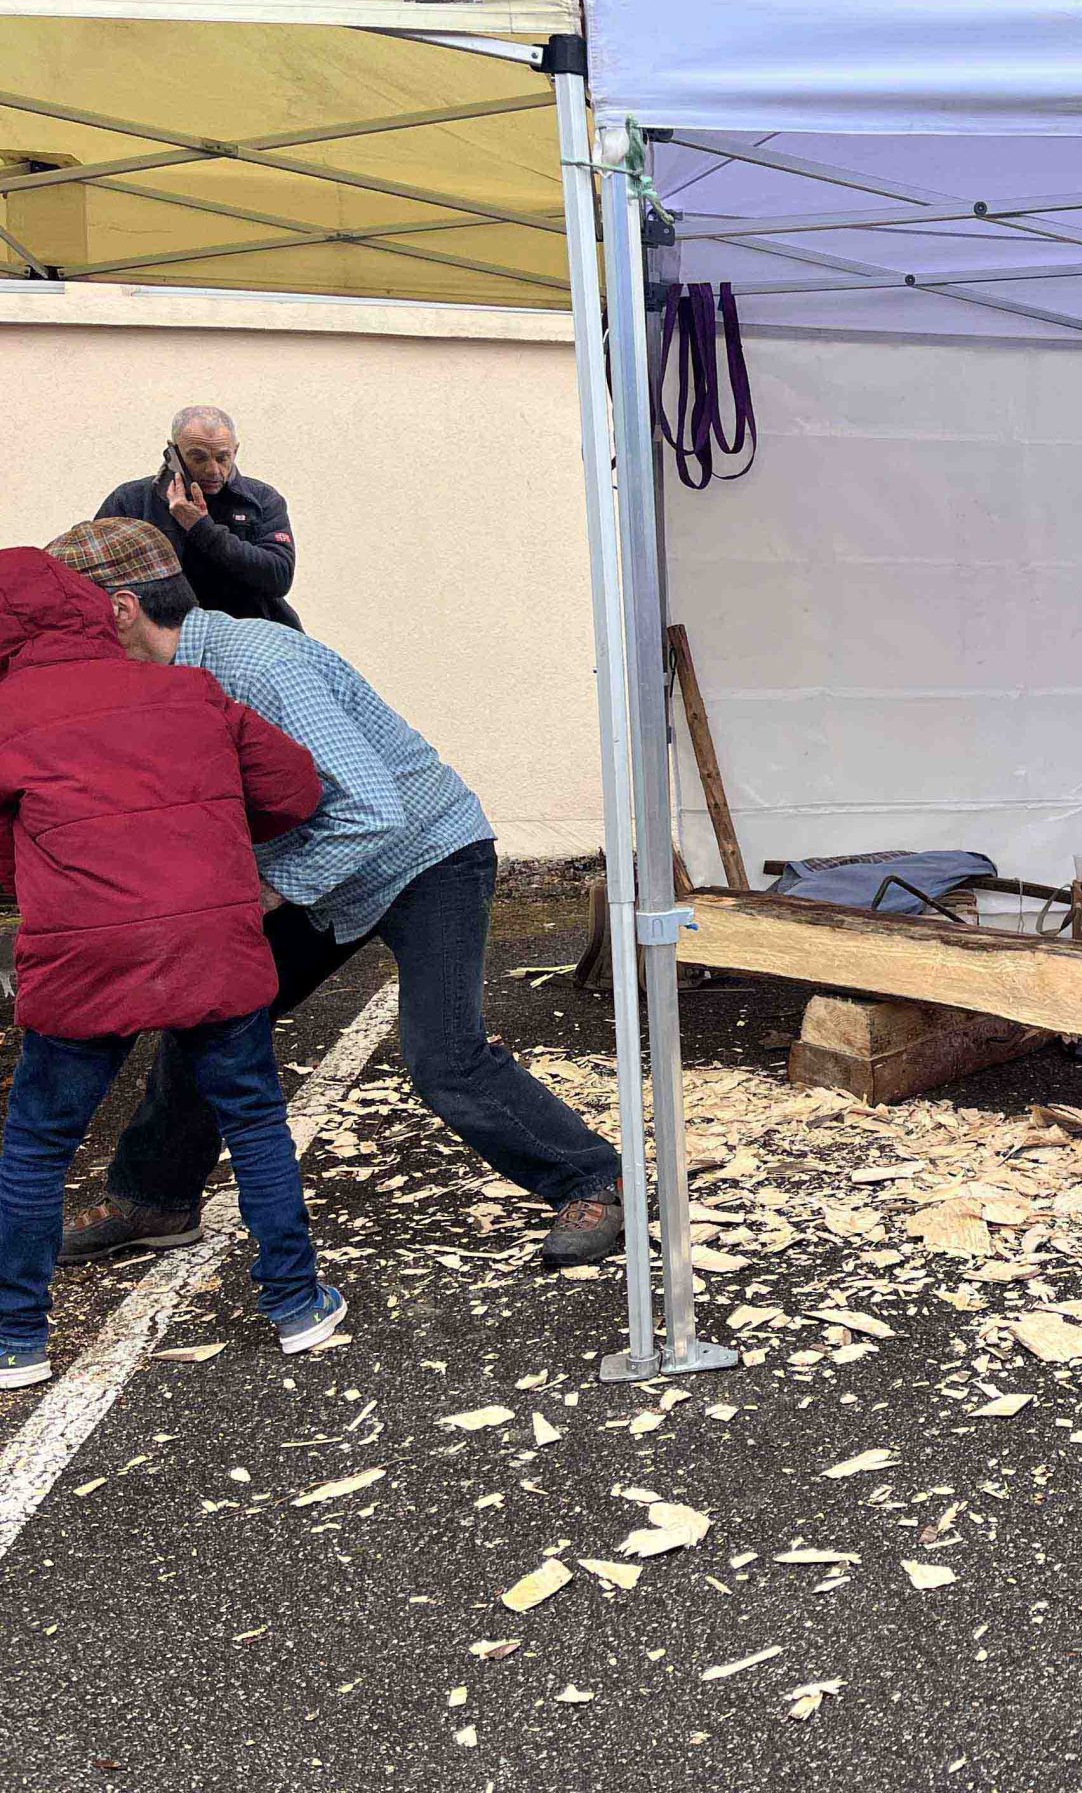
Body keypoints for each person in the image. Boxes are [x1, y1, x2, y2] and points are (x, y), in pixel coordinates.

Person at [41, 519, 626, 1272]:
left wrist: (269, 890)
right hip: (325, 867)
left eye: (63, 615)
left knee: (444, 1057)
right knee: (210, 1015)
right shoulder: (160, 681)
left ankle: (593, 1179)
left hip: (424, 857)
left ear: (121, 609)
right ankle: (153, 1199)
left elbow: (373, 811)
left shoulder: (259, 666)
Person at [0, 547, 338, 1390]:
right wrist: (205, 835)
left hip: (83, 948)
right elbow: (295, 789)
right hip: (210, 940)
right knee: (254, 1122)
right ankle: (297, 1305)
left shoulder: (6, 715)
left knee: (38, 1146)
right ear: (91, 610)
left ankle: (16, 1340)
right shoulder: (189, 690)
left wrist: (41, 871)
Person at [95, 405, 300, 627]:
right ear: (174, 452)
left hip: (250, 630)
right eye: (198, 457)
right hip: (163, 636)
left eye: (222, 458)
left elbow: (279, 577)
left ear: (235, 451)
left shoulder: (262, 499)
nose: (213, 470)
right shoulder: (131, 500)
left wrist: (201, 527)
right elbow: (92, 575)